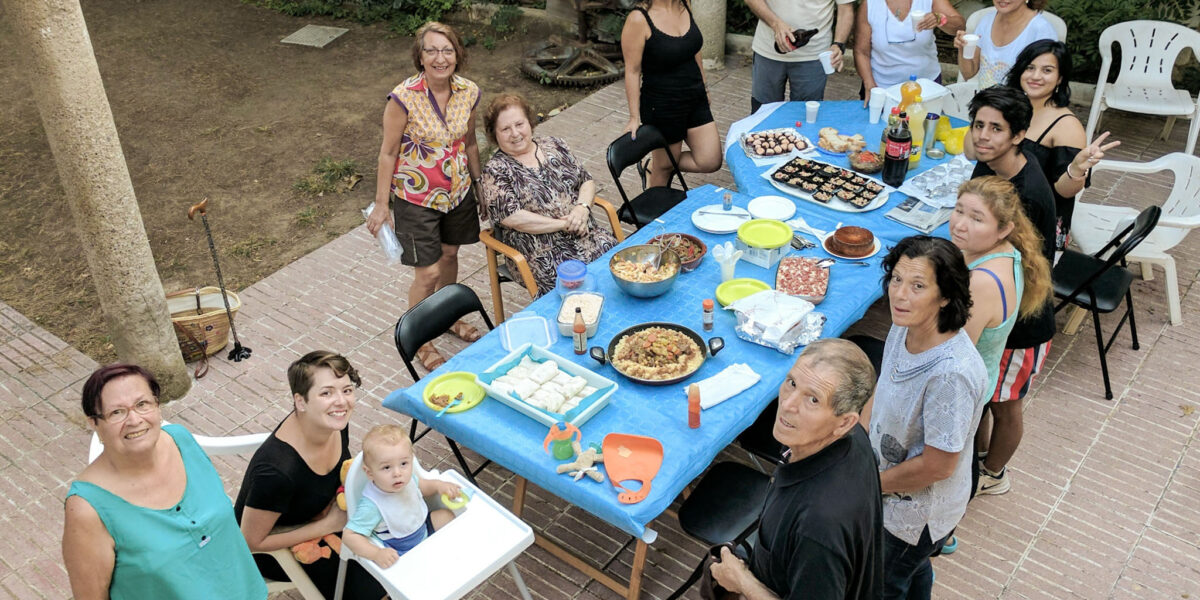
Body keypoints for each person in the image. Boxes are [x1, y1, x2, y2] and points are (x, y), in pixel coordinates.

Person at [63, 364, 267, 600]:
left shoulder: (181, 440)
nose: (134, 419)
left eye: (142, 404)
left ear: (157, 406)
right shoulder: (86, 508)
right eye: (117, 412)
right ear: (94, 423)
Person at [709, 338, 883, 600]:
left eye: (813, 399)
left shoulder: (819, 527)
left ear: (844, 422)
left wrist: (742, 581)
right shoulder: (852, 437)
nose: (788, 405)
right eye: (791, 383)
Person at [870, 236, 989, 599]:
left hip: (912, 517)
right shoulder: (904, 326)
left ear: (946, 296)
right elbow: (880, 390)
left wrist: (869, 487)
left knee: (882, 584)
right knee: (915, 573)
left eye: (918, 285)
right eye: (896, 280)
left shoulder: (950, 375)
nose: (900, 294)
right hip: (888, 487)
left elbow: (938, 465)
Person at [365, 21, 483, 371]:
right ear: (420, 56)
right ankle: (419, 337)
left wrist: (479, 185)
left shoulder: (469, 92)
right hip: (416, 198)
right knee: (428, 273)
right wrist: (383, 205)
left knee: (450, 255)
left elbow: (471, 142)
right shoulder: (403, 98)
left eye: (447, 50)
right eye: (431, 50)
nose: (439, 57)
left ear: (457, 55)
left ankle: (447, 316)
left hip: (458, 193)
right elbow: (388, 153)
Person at [966, 86, 1057, 497]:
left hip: (1019, 321)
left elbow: (1027, 273)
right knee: (982, 397)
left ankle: (995, 473)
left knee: (1005, 404)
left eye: (995, 129)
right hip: (992, 312)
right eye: (978, 125)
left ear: (1018, 135)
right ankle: (976, 457)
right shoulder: (990, 165)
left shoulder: (1028, 195)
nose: (983, 136)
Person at [235, 351, 385, 599]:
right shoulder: (276, 472)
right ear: (300, 401)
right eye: (326, 393)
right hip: (276, 549)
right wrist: (326, 525)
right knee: (374, 588)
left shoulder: (333, 421)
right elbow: (250, 542)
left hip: (329, 516)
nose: (341, 402)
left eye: (347, 390)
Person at [479, 93, 619, 295]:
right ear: (495, 134)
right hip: (539, 252)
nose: (515, 133)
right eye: (505, 129)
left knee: (617, 264)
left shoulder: (555, 145)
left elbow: (586, 180)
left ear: (530, 122)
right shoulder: (495, 170)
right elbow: (513, 217)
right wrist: (564, 224)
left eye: (520, 124)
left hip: (585, 233)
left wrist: (582, 208)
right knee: (572, 290)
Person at [1002, 39, 1121, 252]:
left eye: (1047, 70)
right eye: (1030, 68)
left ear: (1060, 79)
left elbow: (1065, 192)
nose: (1036, 76)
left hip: (1036, 228)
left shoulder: (1067, 126)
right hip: (1001, 207)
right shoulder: (1011, 109)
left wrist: (1076, 169)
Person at [620, 0, 722, 188]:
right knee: (665, 169)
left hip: (695, 97)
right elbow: (632, 71)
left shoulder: (685, 3)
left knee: (711, 160)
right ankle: (656, 209)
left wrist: (705, 86)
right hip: (663, 105)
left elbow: (694, 48)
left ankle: (653, 164)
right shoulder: (638, 19)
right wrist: (634, 117)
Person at [342, 425, 462, 567]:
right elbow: (349, 536)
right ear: (369, 473)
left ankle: (452, 556)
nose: (397, 473)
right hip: (401, 551)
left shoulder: (407, 480)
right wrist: (376, 553)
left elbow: (422, 486)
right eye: (387, 467)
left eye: (404, 463)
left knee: (446, 516)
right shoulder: (372, 505)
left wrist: (438, 485)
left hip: (422, 528)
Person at [746, 0, 855, 111]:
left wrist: (838, 44)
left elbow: (845, 9)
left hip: (814, 56)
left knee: (806, 117)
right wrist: (775, 23)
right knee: (762, 114)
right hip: (767, 49)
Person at [854, 0, 964, 96]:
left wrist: (940, 18)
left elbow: (960, 25)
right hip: (883, 88)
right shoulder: (869, 5)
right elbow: (861, 52)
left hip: (926, 88)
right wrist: (870, 85)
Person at [954, 0, 1057, 89]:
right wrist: (963, 48)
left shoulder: (1042, 30)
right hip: (985, 104)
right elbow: (968, 74)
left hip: (1020, 107)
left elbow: (1045, 84)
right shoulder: (986, 20)